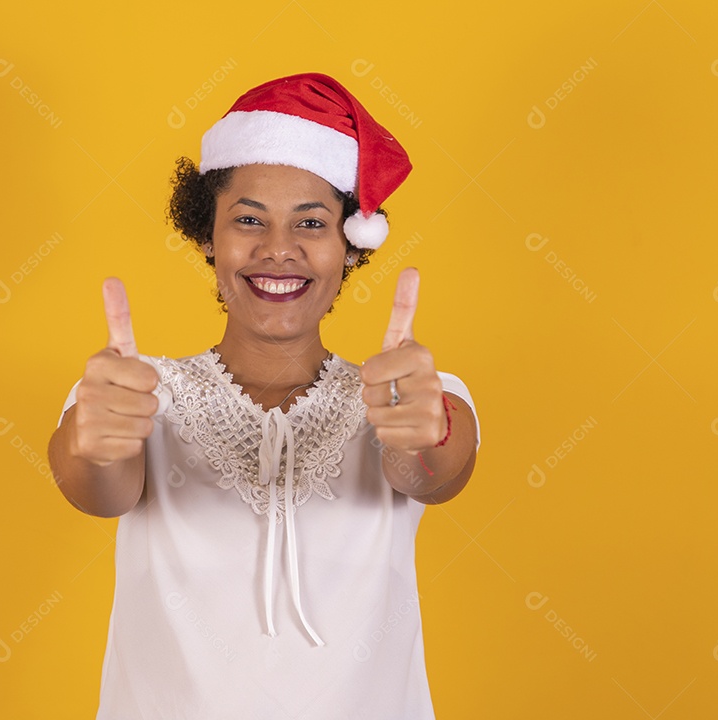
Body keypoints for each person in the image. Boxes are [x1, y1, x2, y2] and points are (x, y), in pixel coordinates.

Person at [47, 72, 481, 719]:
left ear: (350, 249)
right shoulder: (134, 395)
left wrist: (425, 433)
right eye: (248, 220)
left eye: (311, 223)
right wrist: (99, 440)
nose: (278, 250)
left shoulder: (408, 395)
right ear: (206, 238)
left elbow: (431, 472)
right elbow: (97, 485)